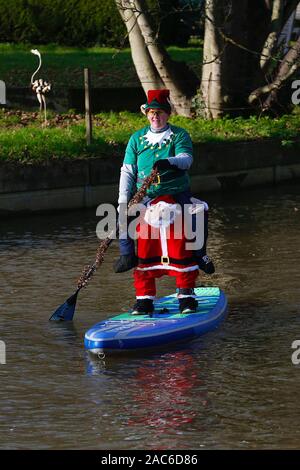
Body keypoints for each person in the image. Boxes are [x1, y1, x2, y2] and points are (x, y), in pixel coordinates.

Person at [114, 89, 214, 314]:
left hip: (175, 192)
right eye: (151, 112)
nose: (154, 116)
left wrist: (170, 161)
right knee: (126, 222)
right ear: (146, 114)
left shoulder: (179, 135)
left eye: (159, 112)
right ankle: (139, 288)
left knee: (194, 216)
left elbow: (186, 160)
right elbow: (128, 171)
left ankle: (191, 279)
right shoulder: (136, 139)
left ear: (167, 114)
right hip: (146, 196)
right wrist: (123, 199)